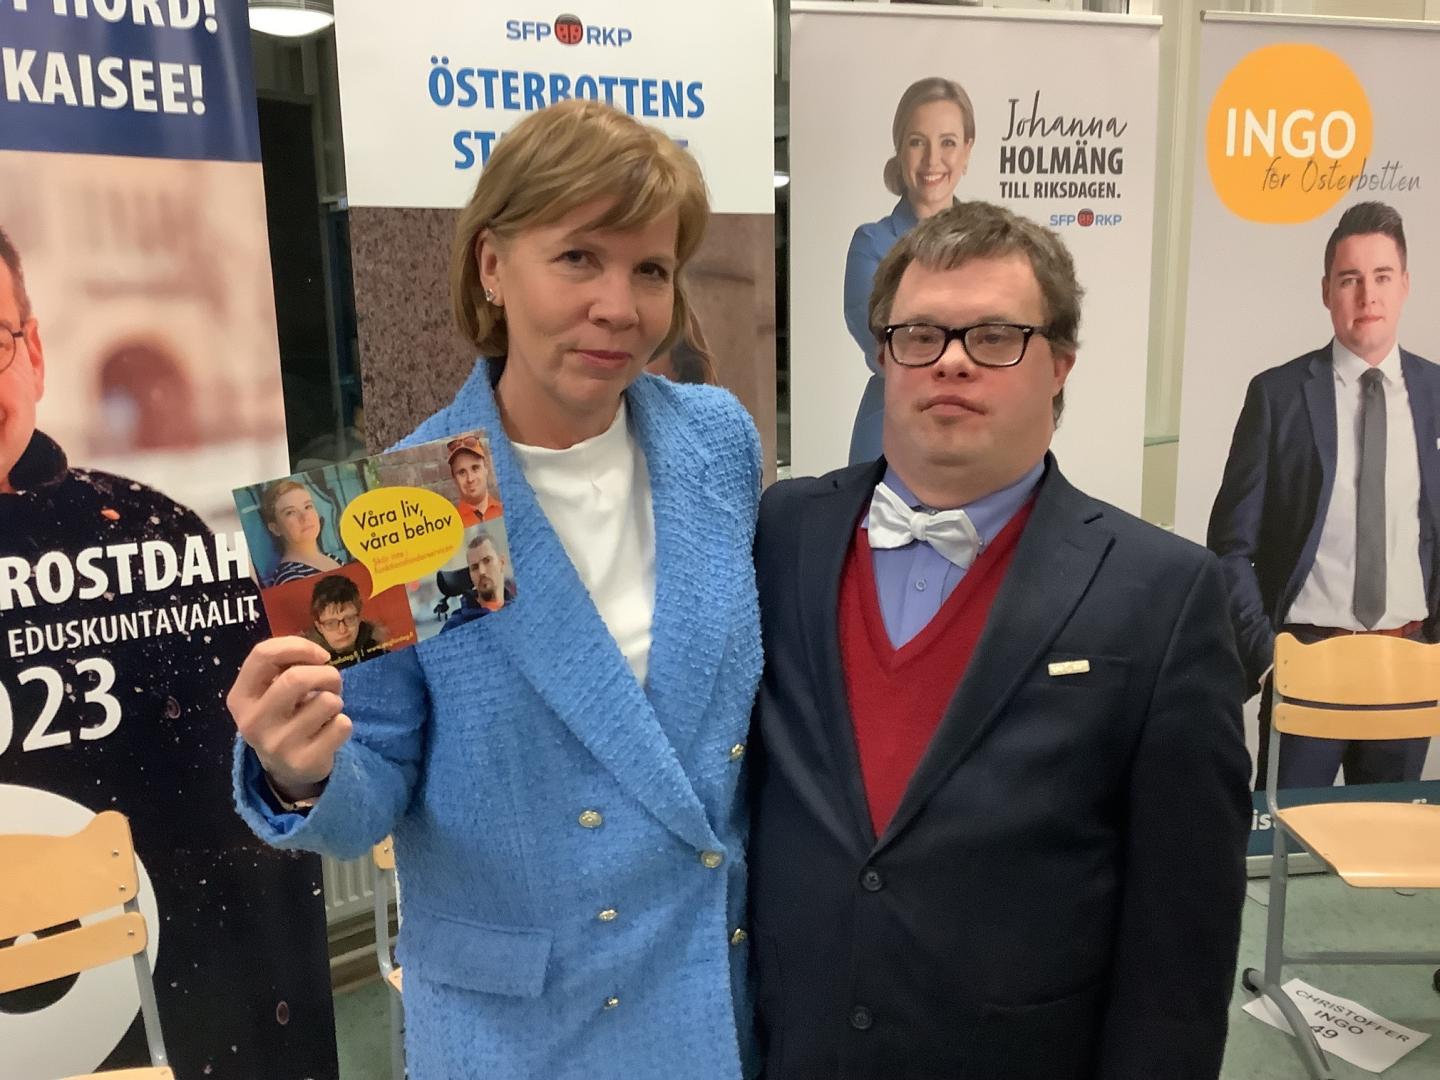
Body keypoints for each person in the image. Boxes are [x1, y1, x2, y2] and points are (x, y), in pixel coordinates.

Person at [225, 100, 763, 1080]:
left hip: (711, 984)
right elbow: (373, 776)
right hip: (522, 1025)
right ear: (491, 266)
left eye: (650, 269)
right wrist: (301, 771)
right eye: (578, 258)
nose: (619, 306)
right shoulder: (401, 504)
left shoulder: (717, 441)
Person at [749, 202, 1251, 1079]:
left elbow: (1181, 947)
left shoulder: (1164, 595)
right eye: (920, 334)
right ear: (883, 355)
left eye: (994, 337)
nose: (950, 360)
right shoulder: (783, 531)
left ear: (1059, 364)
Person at [0, 227, 333, 1077]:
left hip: (173, 1011)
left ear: (34, 353)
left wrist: (299, 768)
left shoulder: (153, 533)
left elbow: (253, 786)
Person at [1209, 200, 1440, 789]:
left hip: (1406, 666)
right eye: (1349, 279)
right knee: (1288, 835)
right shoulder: (1278, 396)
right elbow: (1230, 546)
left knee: (1388, 837)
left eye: (1381, 277)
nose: (1367, 296)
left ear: (1405, 285)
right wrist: (1269, 657)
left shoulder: (1437, 394)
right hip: (1306, 662)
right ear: (1326, 291)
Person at [844, 77, 975, 465]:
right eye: (918, 142)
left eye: (948, 142)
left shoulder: (995, 247)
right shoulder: (872, 244)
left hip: (974, 429)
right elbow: (890, 346)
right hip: (891, 432)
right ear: (900, 149)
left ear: (967, 150)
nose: (933, 160)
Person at [259, 478, 341, 585]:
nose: (305, 517)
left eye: (308, 506)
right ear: (276, 529)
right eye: (290, 512)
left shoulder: (333, 558)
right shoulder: (289, 578)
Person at [303, 574, 387, 668]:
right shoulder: (310, 669)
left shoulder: (382, 654)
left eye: (349, 619)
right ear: (319, 627)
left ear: (359, 618)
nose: (342, 630)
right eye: (331, 623)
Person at [441, 529, 516, 632]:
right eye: (475, 567)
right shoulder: (455, 626)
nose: (481, 571)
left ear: (501, 563)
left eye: (487, 561)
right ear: (470, 575)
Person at [446, 432, 504, 525]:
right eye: (462, 472)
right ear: (454, 479)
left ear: (486, 468)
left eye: (475, 468)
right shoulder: (453, 525)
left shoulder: (505, 511)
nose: (470, 479)